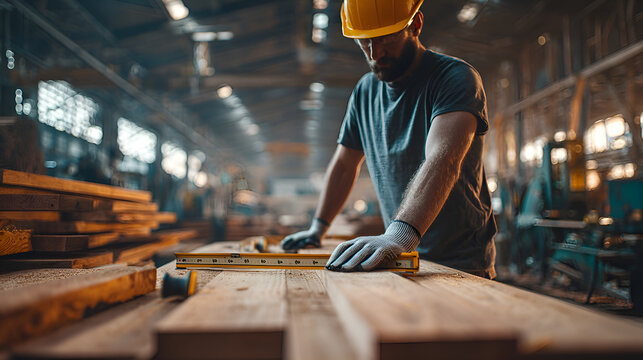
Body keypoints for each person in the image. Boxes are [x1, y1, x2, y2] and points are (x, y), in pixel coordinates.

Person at [281, 0, 497, 278]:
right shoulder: (365, 91)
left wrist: (399, 235)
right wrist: (318, 227)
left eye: (385, 39)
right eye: (365, 43)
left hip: (459, 261)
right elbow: (345, 164)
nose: (375, 54)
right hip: (398, 257)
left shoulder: (454, 78)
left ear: (415, 25)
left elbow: (443, 158)